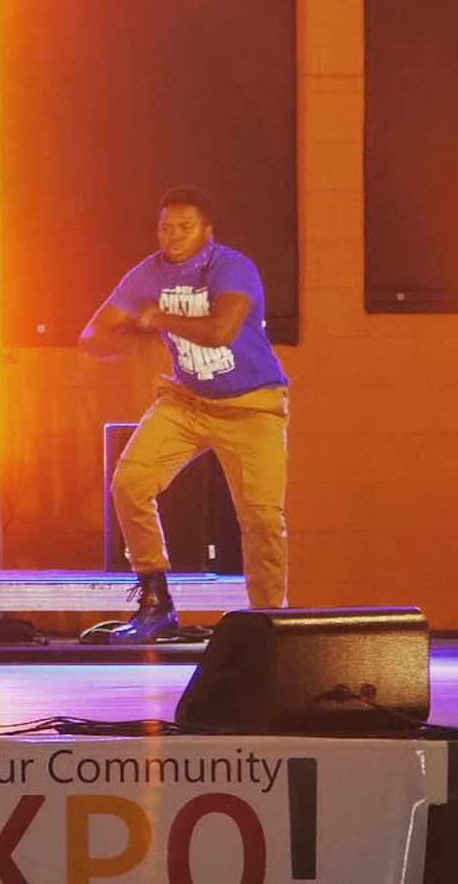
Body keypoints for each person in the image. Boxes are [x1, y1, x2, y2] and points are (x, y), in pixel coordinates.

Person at [79, 186, 290, 642]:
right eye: (165, 228)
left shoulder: (232, 267)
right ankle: (156, 601)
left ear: (207, 232)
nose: (173, 236)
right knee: (130, 483)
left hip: (252, 405)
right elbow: (92, 336)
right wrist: (137, 341)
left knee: (261, 518)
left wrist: (159, 319)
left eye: (184, 227)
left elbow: (221, 330)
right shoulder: (147, 274)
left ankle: (269, 624)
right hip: (187, 401)